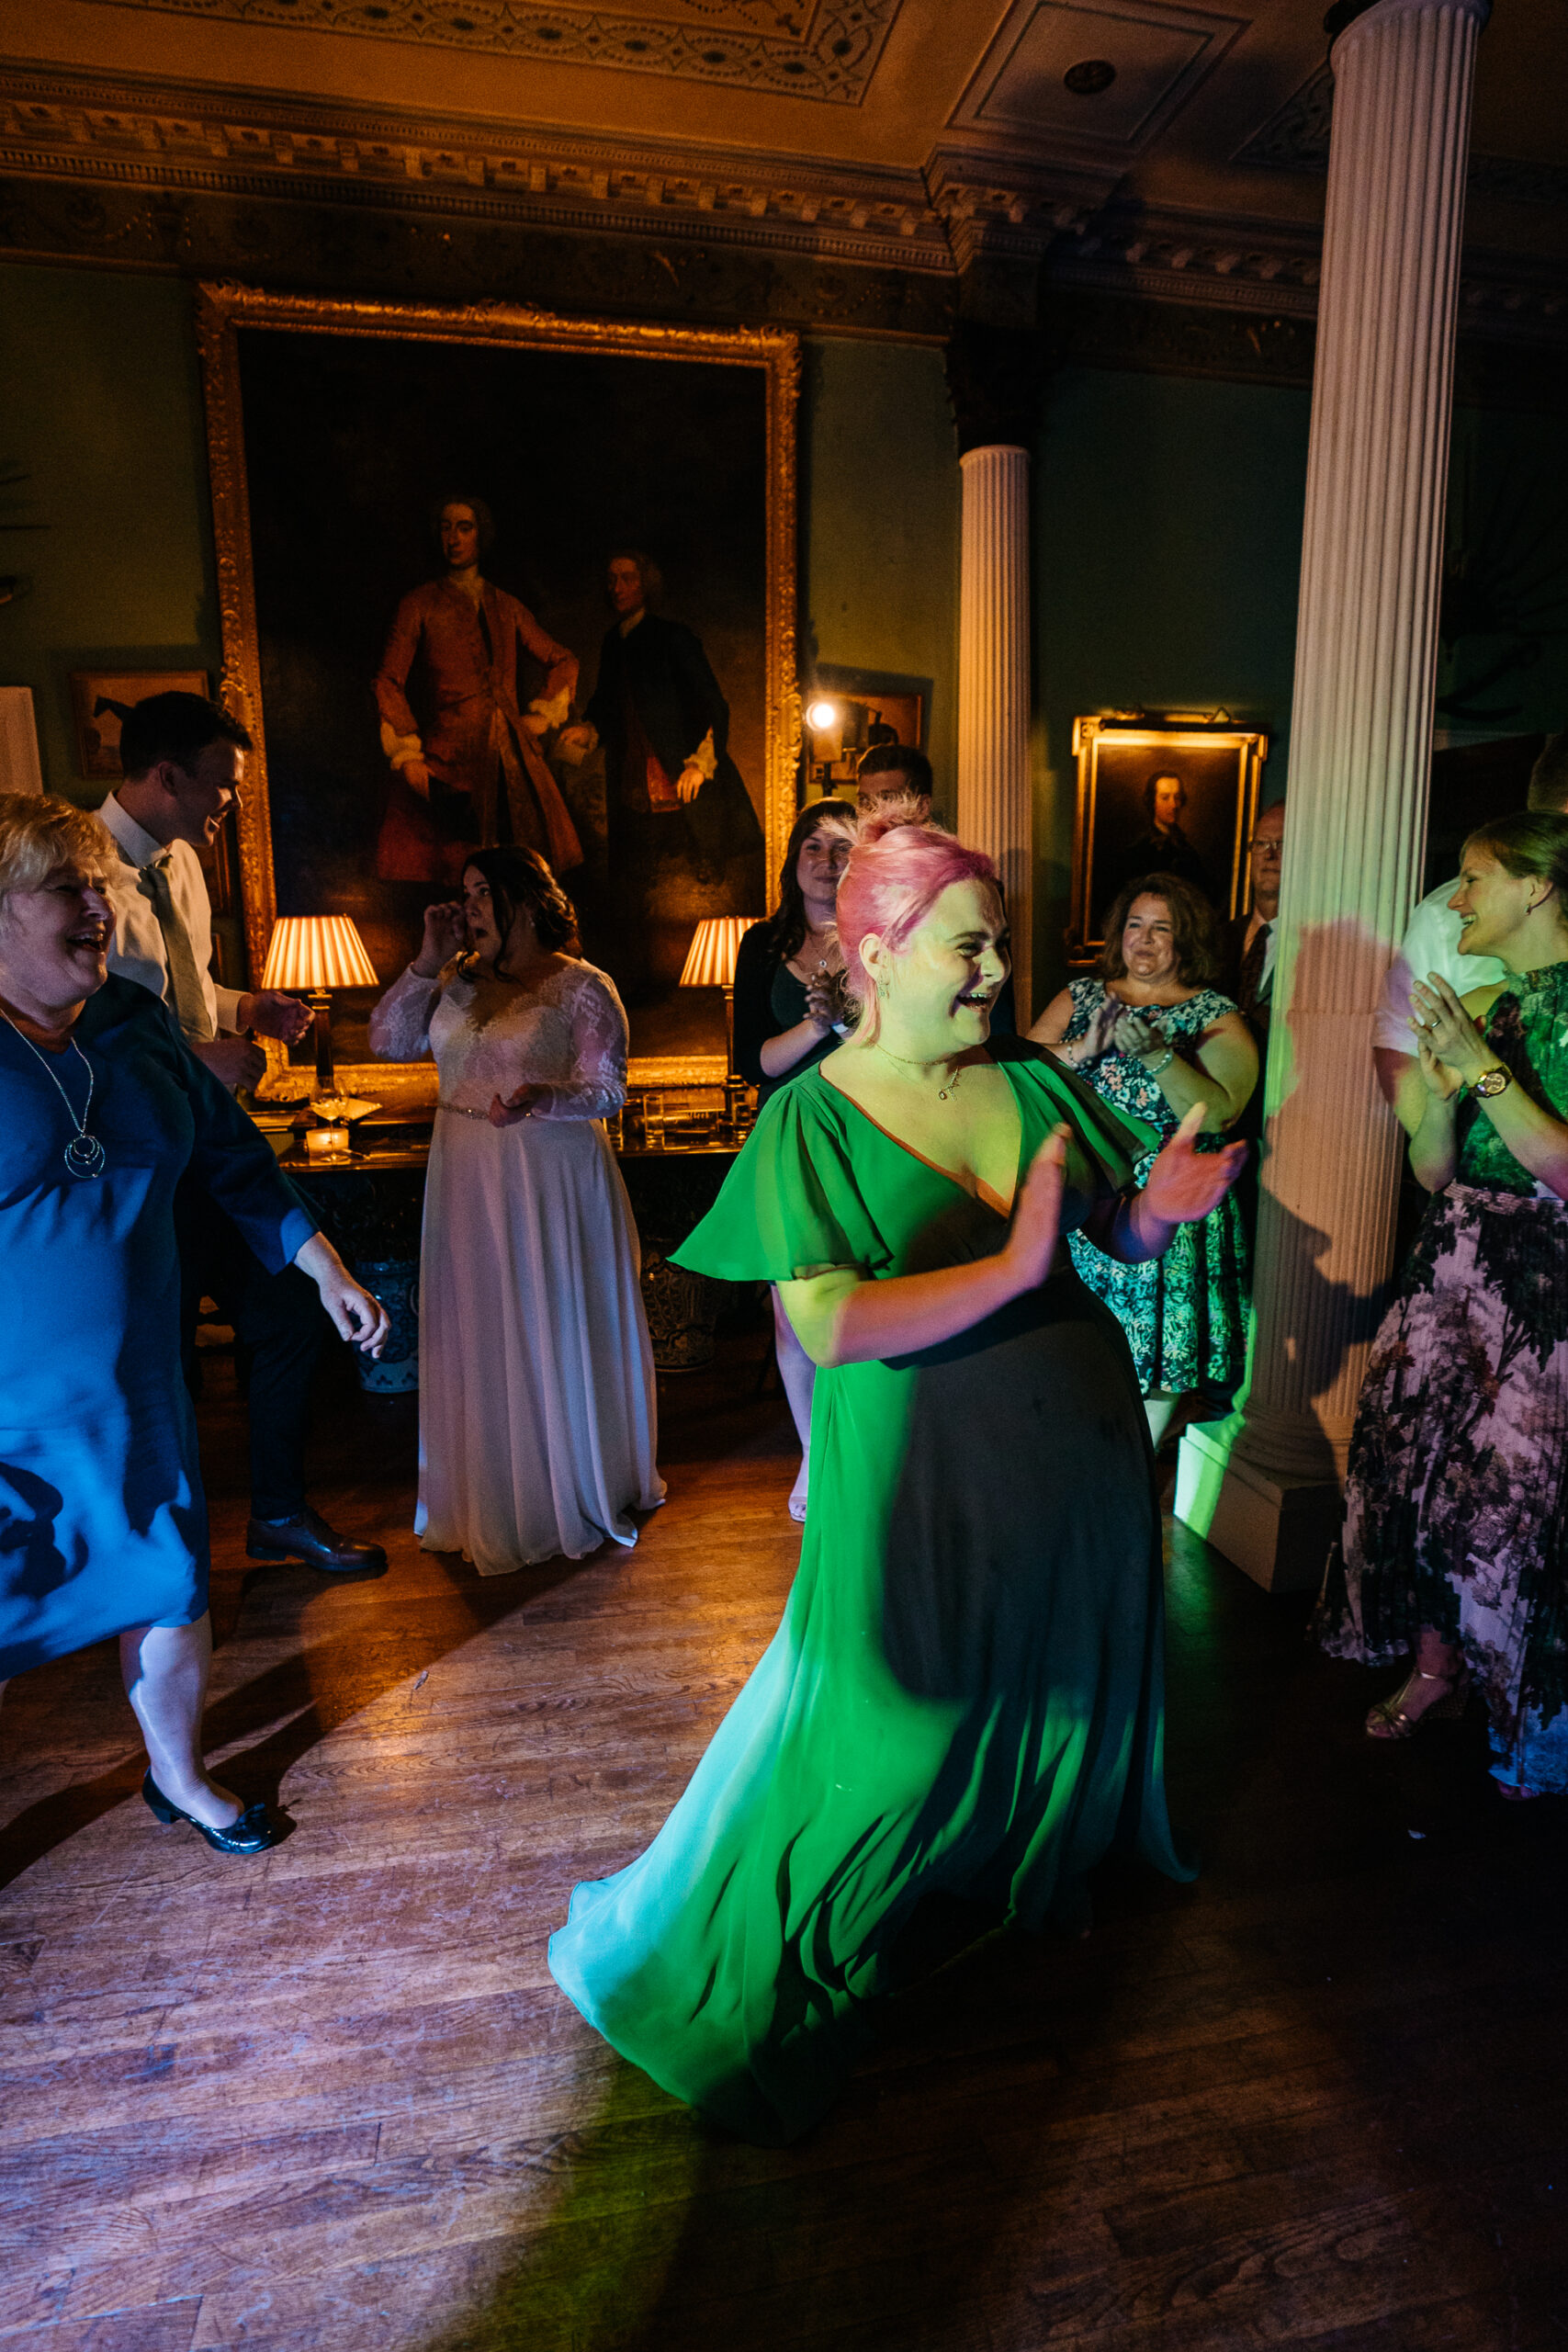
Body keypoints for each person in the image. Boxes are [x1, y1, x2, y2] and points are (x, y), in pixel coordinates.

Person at [548, 820, 1245, 2146]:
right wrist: (1004, 1270)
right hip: (920, 1463)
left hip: (1076, 1456)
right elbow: (826, 1325)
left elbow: (1113, 1229)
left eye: (996, 942)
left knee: (1047, 1671)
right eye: (968, 944)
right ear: (875, 953)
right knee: (887, 1713)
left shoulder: (1033, 1080)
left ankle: (1010, 1859)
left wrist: (1160, 1207)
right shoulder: (812, 1115)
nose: (994, 969)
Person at [0, 793, 389, 1853]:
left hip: (139, 1392)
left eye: (97, 883)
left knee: (169, 1588)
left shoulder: (131, 1019)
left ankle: (180, 1775)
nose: (96, 906)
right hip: (10, 1416)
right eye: (65, 888)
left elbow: (232, 1157)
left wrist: (326, 1268)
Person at [96, 692, 385, 1576]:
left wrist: (243, 1008)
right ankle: (163, 1562)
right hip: (135, 1167)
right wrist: (197, 1060)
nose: (229, 804)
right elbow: (89, 1029)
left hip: (207, 1149)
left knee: (291, 1313)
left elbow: (185, 993)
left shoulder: (179, 865)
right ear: (166, 775)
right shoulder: (76, 876)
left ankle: (279, 1515)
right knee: (166, 1356)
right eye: (220, 785)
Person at [1320, 811, 1568, 1802]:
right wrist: (1431, 1095)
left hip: (1545, 1289)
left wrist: (1487, 1074)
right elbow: (1433, 1170)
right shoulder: (1493, 1000)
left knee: (1510, 1514)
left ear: (1538, 889)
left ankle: (1522, 1713)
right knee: (1414, 1483)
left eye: (1472, 879)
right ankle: (1435, 1673)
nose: (1454, 900)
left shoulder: (1517, 1026)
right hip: (1456, 1271)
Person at [368, 845, 664, 1574]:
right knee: (480, 1320)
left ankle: (571, 1479)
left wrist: (544, 1096)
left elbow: (608, 1088)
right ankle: (494, 1485)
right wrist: (425, 957)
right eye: (463, 895)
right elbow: (389, 1040)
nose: (465, 909)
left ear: (525, 902)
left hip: (548, 1169)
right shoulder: (455, 981)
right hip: (465, 1170)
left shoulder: (582, 986)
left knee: (549, 1315)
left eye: (478, 895)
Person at [1031, 876, 1257, 1445]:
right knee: (1076, 1344)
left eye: (1163, 927)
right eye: (1135, 924)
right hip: (1085, 1197)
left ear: (1189, 940)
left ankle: (1135, 1458)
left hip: (1169, 1200)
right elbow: (1022, 1068)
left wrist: (1159, 1056)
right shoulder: (1081, 999)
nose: (1145, 939)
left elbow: (1220, 1112)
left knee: (1157, 1354)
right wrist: (1086, 1047)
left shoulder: (1214, 1015)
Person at [732, 797, 860, 1521]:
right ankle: (813, 1454)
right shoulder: (760, 943)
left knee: (867, 1291)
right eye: (813, 846)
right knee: (794, 1310)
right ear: (792, 860)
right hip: (788, 1134)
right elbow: (752, 1059)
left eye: (841, 848)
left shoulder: (880, 937)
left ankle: (863, 1442)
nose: (826, 860)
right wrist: (817, 1025)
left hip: (867, 1130)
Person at [374, 494, 582, 885]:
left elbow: (564, 660)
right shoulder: (418, 604)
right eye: (445, 528)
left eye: (464, 528)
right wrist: (407, 752)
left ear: (480, 536)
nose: (453, 538)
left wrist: (545, 714)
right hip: (449, 759)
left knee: (521, 877)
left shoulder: (507, 605)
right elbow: (388, 680)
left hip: (512, 761)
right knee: (458, 874)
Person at [1373, 734, 1568, 1131]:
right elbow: (1400, 1041)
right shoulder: (1451, 927)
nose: (1458, 901)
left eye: (1472, 881)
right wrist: (1448, 1142)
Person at [856, 745, 1017, 1034]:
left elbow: (995, 1000)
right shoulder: (848, 884)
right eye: (864, 801)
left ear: (923, 805)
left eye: (887, 799)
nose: (872, 814)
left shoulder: (968, 885)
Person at [1219, 797, 1287, 1246]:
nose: (1269, 855)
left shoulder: (1324, 951)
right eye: (1261, 844)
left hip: (1284, 1128)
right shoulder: (1216, 937)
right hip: (1221, 1127)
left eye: (1282, 844)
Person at [1100, 771, 1215, 920]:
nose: (1173, 805)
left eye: (1177, 798)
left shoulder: (1187, 849)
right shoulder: (1137, 851)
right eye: (1165, 798)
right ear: (1152, 802)